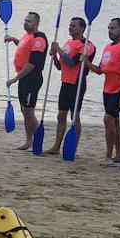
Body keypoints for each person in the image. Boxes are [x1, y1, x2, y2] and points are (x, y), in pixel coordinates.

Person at [83, 18, 120, 166]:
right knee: (115, 122)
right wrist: (86, 63)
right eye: (108, 28)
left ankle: (108, 156)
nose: (110, 31)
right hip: (107, 89)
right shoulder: (108, 47)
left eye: (113, 28)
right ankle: (119, 154)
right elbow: (100, 70)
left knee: (108, 120)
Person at [43, 17, 95, 155]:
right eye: (70, 25)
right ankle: (56, 147)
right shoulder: (68, 43)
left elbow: (72, 62)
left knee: (74, 116)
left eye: (74, 26)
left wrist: (58, 49)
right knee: (61, 115)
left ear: (82, 29)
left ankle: (73, 148)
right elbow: (60, 66)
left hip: (77, 83)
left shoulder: (87, 45)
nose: (70, 28)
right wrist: (54, 55)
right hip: (65, 82)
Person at [5, 12, 49, 150]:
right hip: (23, 78)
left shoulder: (39, 39)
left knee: (29, 111)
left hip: (32, 78)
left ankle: (37, 141)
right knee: (24, 110)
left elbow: (32, 63)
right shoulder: (27, 36)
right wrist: (14, 40)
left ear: (36, 24)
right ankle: (29, 140)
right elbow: (24, 48)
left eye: (29, 21)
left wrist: (14, 79)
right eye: (25, 20)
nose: (26, 23)